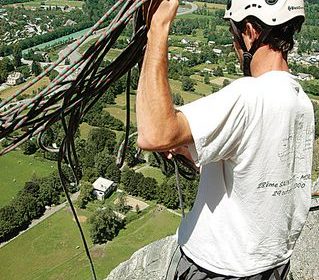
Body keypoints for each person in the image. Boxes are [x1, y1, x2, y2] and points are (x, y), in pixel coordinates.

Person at [136, 0, 314, 279]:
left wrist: (157, 28)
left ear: (251, 32)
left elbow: (152, 133)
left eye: (234, 36)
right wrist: (190, 150)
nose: (234, 47)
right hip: (272, 265)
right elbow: (253, 175)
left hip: (218, 268)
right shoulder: (302, 102)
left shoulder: (249, 96)